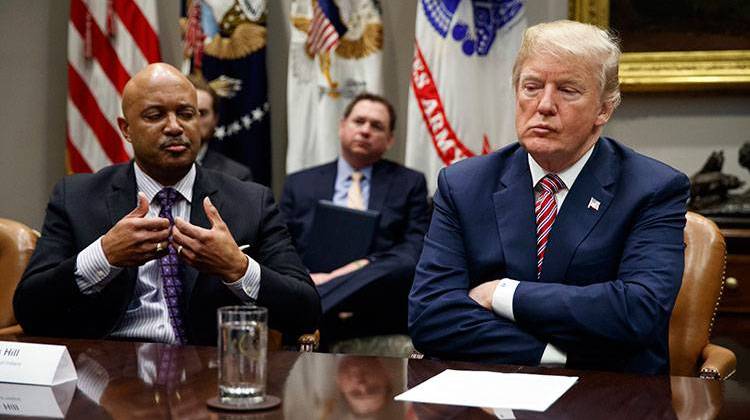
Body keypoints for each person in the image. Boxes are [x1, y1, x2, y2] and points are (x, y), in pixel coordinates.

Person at [408, 20, 690, 374]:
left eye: (568, 90)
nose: (543, 105)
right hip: (489, 391)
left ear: (604, 109)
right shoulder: (464, 185)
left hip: (607, 396)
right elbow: (430, 316)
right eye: (531, 87)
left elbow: (637, 311)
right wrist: (554, 354)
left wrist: (503, 294)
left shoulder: (652, 188)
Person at [14, 63, 320, 345]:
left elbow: (306, 310)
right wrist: (104, 255)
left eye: (186, 114)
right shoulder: (77, 197)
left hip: (208, 378)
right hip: (108, 373)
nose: (174, 126)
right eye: (155, 115)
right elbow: (29, 310)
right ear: (126, 129)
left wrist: (237, 268)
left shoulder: (251, 201)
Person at [281, 93, 430, 347]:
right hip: (312, 279)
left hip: (376, 302)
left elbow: (413, 250)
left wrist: (356, 269)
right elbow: (281, 244)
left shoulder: (409, 183)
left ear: (390, 140)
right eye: (359, 121)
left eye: (376, 126)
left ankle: (319, 298)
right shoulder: (300, 183)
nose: (365, 130)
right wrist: (306, 276)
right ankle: (320, 294)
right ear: (342, 126)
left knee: (406, 263)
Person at [187, 74, 253, 181]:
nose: (196, 121)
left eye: (202, 113)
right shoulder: (154, 170)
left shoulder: (237, 176)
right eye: (188, 114)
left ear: (215, 119)